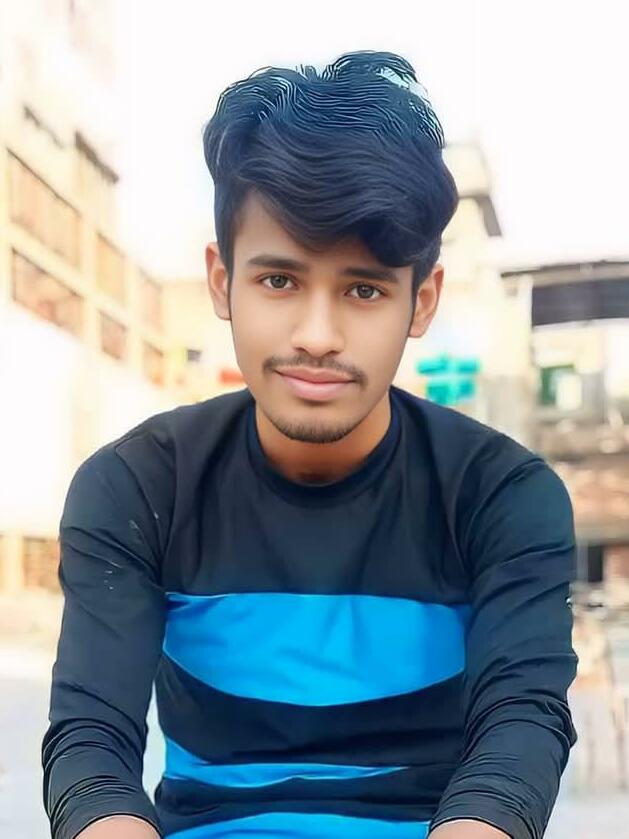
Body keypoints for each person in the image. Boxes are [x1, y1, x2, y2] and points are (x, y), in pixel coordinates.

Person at [42, 51, 577, 839]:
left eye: (362, 288)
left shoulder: (500, 494)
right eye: (279, 280)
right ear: (221, 281)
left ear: (420, 300)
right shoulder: (140, 486)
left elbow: (521, 723)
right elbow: (91, 740)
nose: (318, 335)